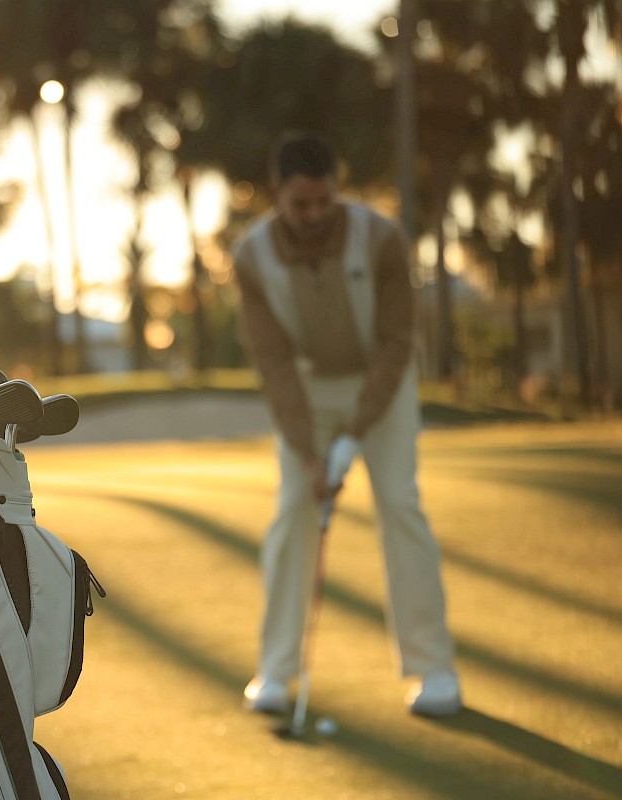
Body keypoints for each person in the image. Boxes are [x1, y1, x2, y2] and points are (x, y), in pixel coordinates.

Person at [232, 131, 461, 716]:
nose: (312, 215)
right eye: (299, 204)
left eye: (323, 203)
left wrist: (355, 433)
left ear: (336, 191)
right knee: (292, 511)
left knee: (400, 504)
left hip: (379, 384)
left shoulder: (380, 239)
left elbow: (396, 345)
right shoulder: (251, 256)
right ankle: (276, 673)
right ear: (278, 193)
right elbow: (274, 365)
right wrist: (312, 455)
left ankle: (433, 670)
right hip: (306, 389)